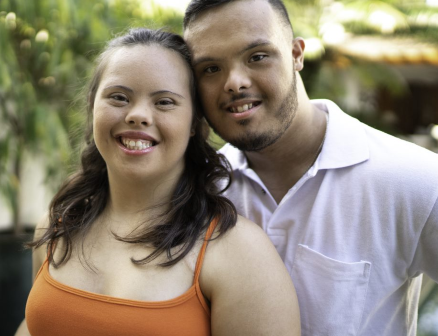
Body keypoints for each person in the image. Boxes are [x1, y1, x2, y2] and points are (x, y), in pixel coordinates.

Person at [183, 0, 438, 336]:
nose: (234, 82)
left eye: (257, 57)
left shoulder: (411, 177)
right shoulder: (197, 191)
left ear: (296, 53)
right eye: (210, 69)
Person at [15, 28, 301, 336]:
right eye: (119, 97)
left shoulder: (239, 253)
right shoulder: (58, 224)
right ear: (92, 105)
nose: (138, 115)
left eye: (164, 102)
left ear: (194, 123)